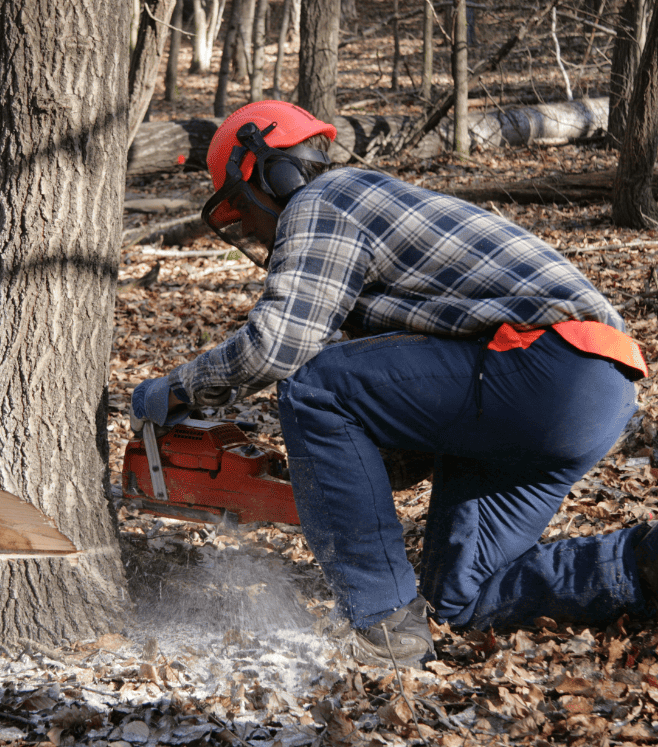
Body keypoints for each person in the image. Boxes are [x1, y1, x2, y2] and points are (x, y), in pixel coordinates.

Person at [129, 100, 651, 669]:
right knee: (462, 602)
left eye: (242, 210)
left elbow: (278, 348)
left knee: (313, 382)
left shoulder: (325, 199)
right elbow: (403, 432)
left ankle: (381, 626)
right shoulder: (376, 224)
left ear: (269, 171)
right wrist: (301, 477)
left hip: (544, 365)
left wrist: (176, 390)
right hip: (598, 391)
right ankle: (643, 562)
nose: (250, 227)